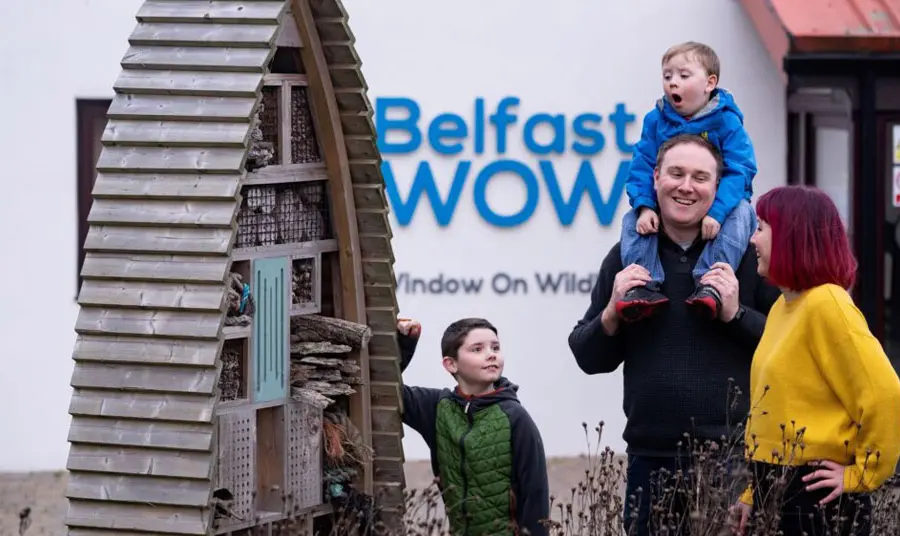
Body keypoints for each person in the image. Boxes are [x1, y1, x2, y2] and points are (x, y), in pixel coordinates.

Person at [568, 134, 780, 536]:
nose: (686, 186)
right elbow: (587, 356)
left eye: (701, 177)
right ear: (655, 178)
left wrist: (736, 315)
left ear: (718, 187)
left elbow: (786, 349)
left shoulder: (750, 260)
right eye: (676, 173)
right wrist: (612, 312)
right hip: (649, 460)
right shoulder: (627, 256)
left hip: (733, 459)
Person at [730, 186, 900, 536]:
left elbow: (885, 394)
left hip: (816, 499)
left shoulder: (828, 304)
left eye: (761, 227)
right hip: (775, 488)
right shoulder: (782, 307)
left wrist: (863, 473)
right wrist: (753, 492)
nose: (752, 240)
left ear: (792, 235)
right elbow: (773, 409)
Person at [618, 41, 758, 323]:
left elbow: (740, 170)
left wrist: (717, 212)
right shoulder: (656, 120)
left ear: (710, 83)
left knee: (744, 213)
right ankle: (643, 285)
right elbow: (643, 165)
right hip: (670, 208)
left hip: (723, 205)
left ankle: (711, 283)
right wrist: (645, 206)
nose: (673, 83)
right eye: (667, 76)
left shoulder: (726, 122)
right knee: (631, 221)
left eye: (683, 75)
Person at [396, 317, 550, 536]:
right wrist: (405, 346)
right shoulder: (438, 409)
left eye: (495, 347)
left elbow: (536, 495)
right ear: (451, 364)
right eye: (477, 349)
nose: (491, 354)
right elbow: (387, 393)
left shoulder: (515, 417)